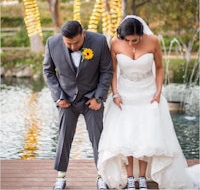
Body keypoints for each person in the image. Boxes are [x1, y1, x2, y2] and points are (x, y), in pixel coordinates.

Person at [97, 15, 197, 189]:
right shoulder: (114, 43)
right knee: (126, 135)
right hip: (124, 94)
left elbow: (159, 67)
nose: (131, 44)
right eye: (127, 40)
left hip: (148, 92)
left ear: (141, 34)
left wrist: (158, 92)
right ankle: (129, 178)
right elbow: (113, 70)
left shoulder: (153, 41)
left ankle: (142, 178)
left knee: (146, 135)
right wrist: (115, 94)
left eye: (134, 40)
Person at [43, 21, 113, 190]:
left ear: (84, 34)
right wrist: (59, 97)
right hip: (66, 100)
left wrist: (99, 97)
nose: (73, 47)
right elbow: (48, 71)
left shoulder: (99, 41)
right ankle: (60, 177)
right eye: (69, 44)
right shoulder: (52, 43)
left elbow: (106, 71)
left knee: (98, 138)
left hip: (92, 100)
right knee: (64, 137)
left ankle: (102, 176)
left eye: (76, 43)